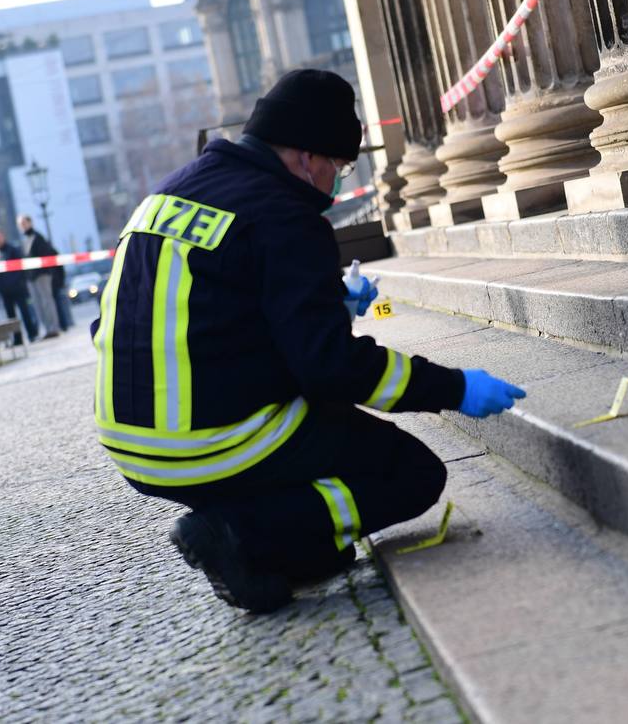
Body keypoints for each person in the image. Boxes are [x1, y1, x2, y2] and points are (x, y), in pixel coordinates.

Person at [91, 69, 524, 613]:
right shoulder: (285, 215)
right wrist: (456, 387)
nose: (337, 182)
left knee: (323, 451)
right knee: (409, 473)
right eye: (339, 167)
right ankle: (236, 534)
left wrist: (327, 303)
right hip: (212, 439)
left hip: (128, 441)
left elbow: (133, 320)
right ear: (304, 157)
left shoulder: (170, 193)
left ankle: (287, 554)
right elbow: (331, 368)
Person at [16, 215, 61, 339]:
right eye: (21, 224)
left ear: (30, 222)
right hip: (30, 277)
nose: (23, 226)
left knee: (47, 301)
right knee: (37, 304)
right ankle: (46, 329)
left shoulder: (38, 237)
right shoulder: (24, 240)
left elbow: (46, 255)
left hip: (42, 274)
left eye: (24, 223)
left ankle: (53, 328)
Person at [0, 227, 38, 343]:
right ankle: (17, 339)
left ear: (4, 236)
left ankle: (32, 335)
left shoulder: (13, 250)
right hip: (5, 291)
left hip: (18, 288)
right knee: (10, 317)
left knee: (25, 313)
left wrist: (17, 282)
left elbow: (21, 268)